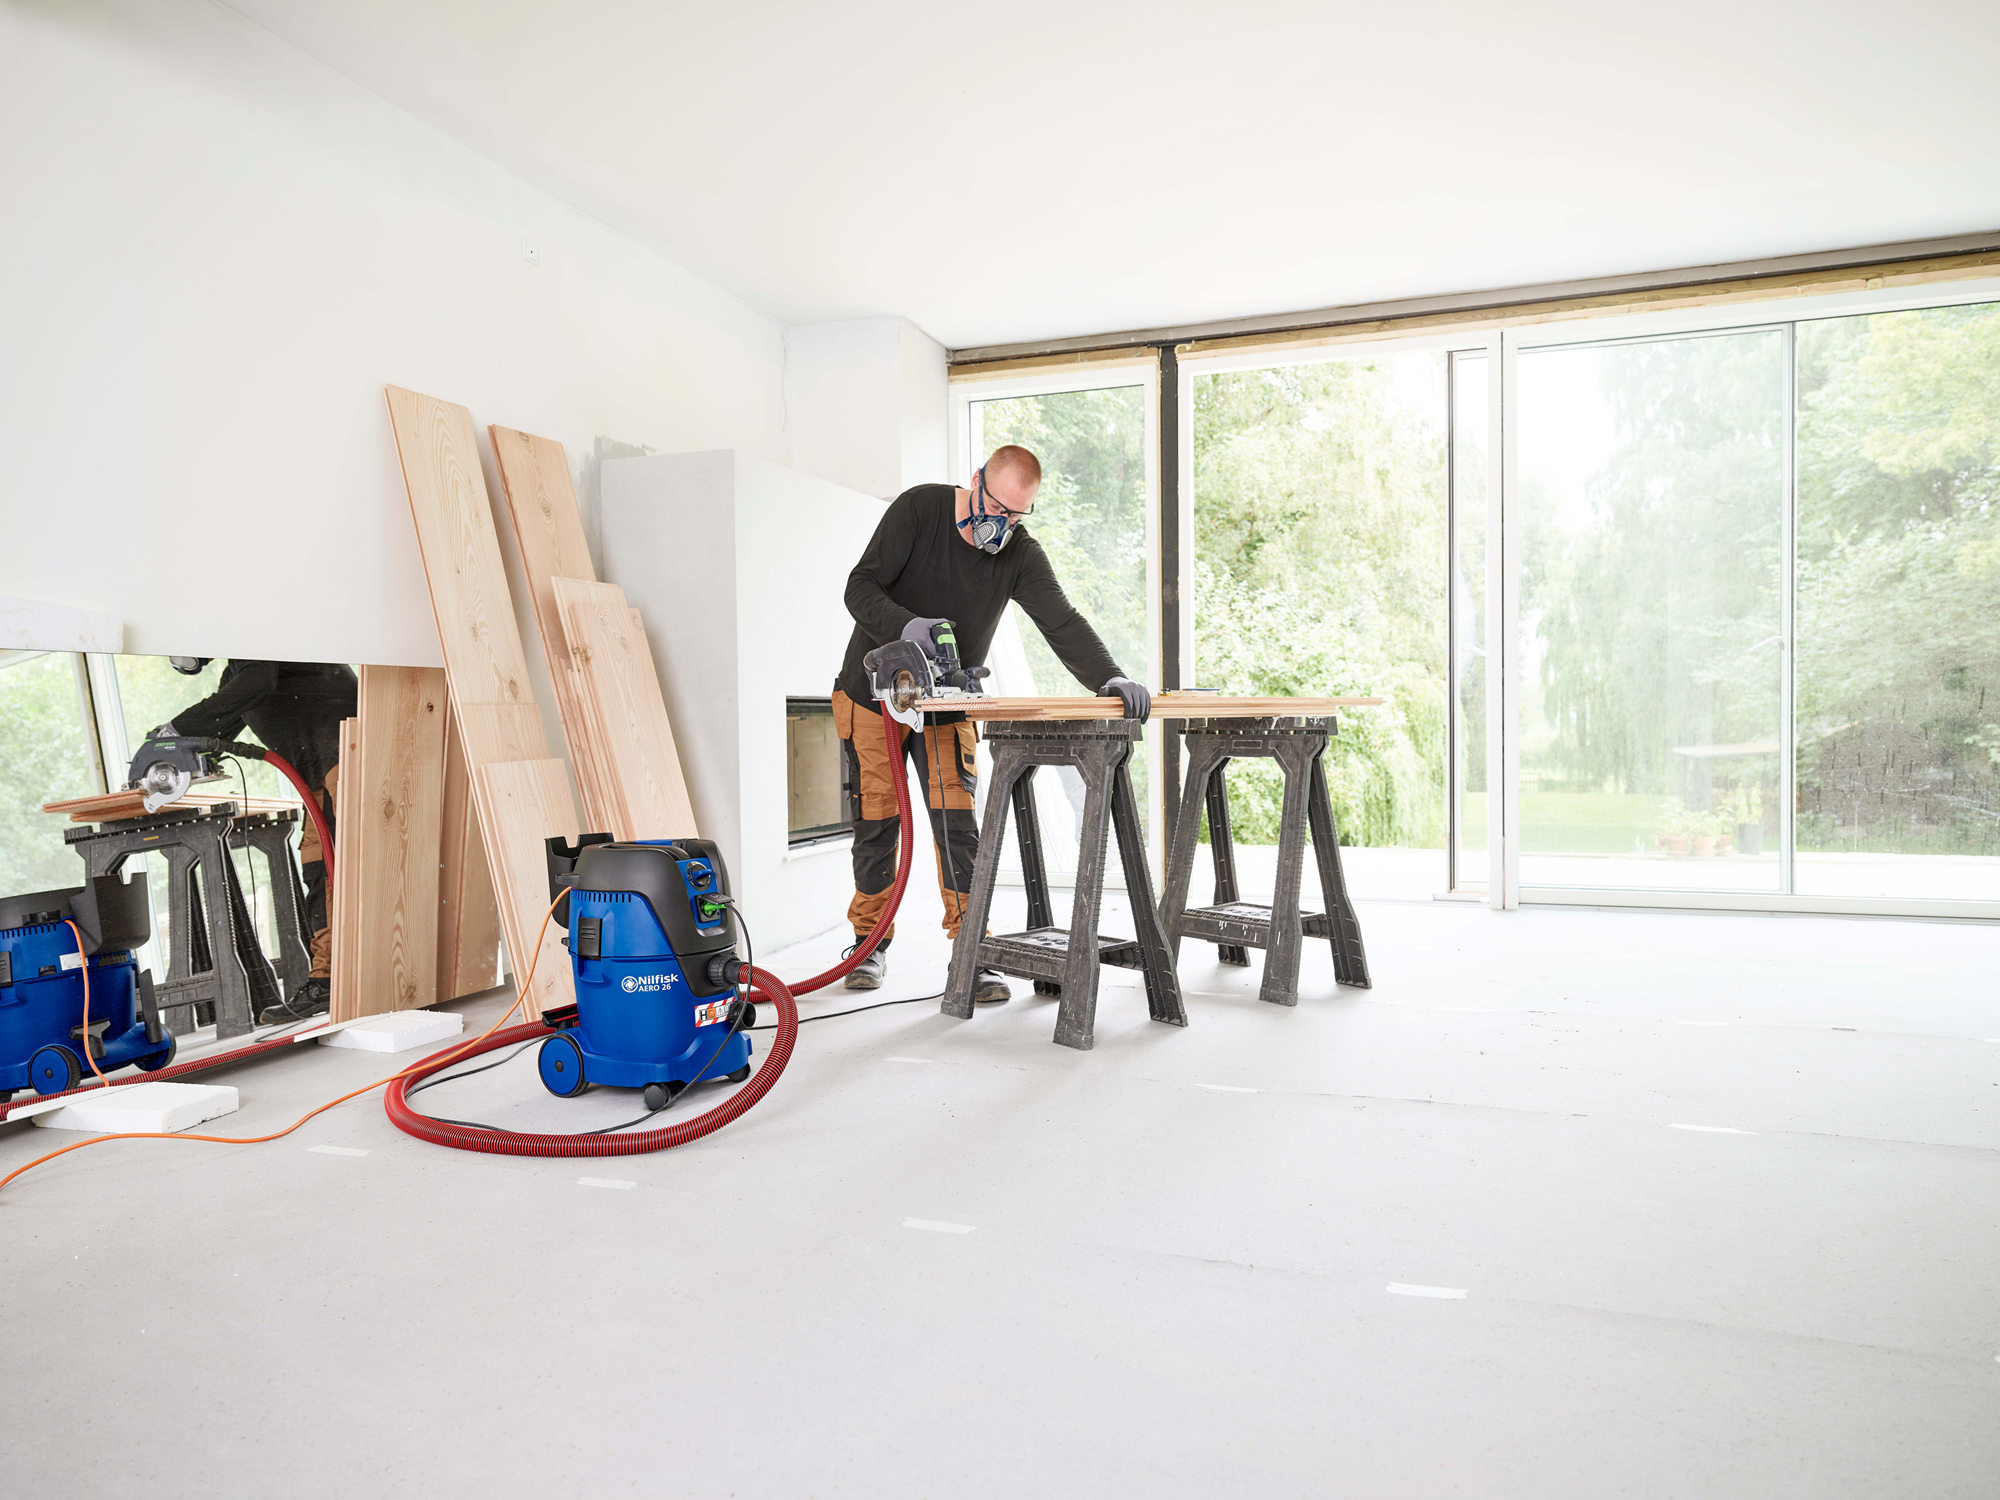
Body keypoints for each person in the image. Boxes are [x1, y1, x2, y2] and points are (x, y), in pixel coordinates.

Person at [832, 445, 1150, 1001]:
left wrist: (1112, 677)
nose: (999, 525)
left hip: (949, 700)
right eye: (995, 508)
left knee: (957, 822)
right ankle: (868, 944)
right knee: (877, 819)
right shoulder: (919, 511)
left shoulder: (1018, 555)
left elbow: (1062, 621)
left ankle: (972, 949)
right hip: (874, 693)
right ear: (975, 482)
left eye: (1015, 516)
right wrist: (908, 627)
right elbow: (859, 587)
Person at [157, 657, 358, 1020]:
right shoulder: (238, 670)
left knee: (334, 869)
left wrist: (175, 730)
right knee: (318, 866)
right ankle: (328, 981)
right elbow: (220, 724)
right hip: (323, 769)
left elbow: (258, 683)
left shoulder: (254, 641)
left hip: (346, 754)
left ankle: (345, 979)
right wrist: (176, 748)